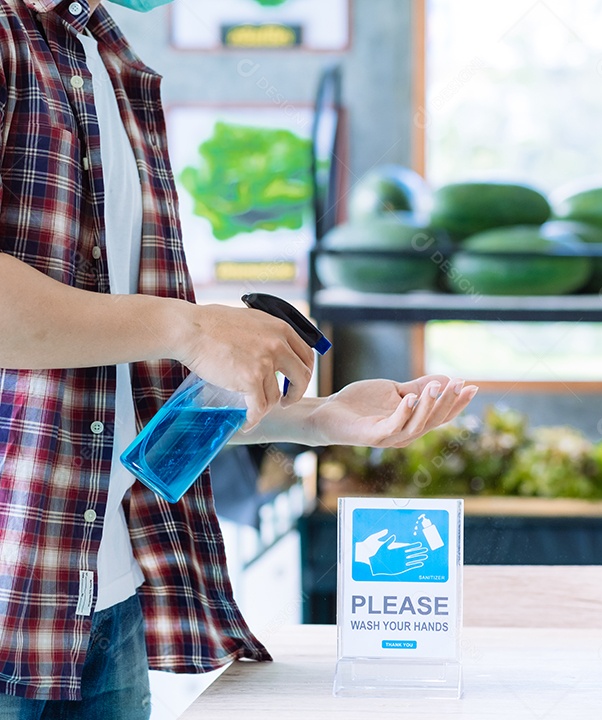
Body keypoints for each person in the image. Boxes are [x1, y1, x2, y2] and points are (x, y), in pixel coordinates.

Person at [0, 0, 478, 716]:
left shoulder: (103, 54)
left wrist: (316, 420)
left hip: (103, 600)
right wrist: (188, 328)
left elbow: (109, 391)